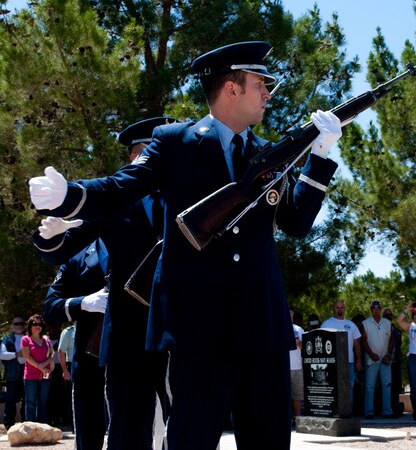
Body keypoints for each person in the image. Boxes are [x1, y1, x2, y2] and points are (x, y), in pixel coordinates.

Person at [30, 40, 341, 450]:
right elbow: (121, 188)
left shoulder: (267, 155)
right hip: (200, 332)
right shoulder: (176, 142)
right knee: (191, 439)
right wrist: (70, 195)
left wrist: (320, 157)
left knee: (268, 440)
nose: (268, 92)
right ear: (232, 88)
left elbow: (296, 222)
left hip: (262, 328)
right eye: (260, 83)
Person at [33, 117, 176, 450]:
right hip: (128, 334)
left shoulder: (184, 197)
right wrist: (52, 232)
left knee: (186, 424)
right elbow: (59, 251)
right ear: (136, 159)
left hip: (175, 329)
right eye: (148, 155)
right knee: (127, 428)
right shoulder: (118, 201)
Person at [40, 239, 109, 450]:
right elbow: (50, 306)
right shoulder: (80, 255)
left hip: (138, 356)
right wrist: (84, 303)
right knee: (88, 436)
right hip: (91, 359)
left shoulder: (147, 236)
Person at [322, 301, 363, 414]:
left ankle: (347, 413)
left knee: (349, 387)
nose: (339, 310)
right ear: (333, 309)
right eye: (337, 307)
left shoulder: (351, 324)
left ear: (344, 309)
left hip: (349, 362)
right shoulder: (326, 324)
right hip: (333, 363)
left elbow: (357, 344)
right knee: (334, 387)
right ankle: (334, 412)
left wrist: (358, 361)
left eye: (342, 307)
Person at [361, 300, 394, 419]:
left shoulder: (387, 323)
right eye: (374, 307)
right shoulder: (365, 323)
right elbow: (364, 341)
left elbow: (392, 339)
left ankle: (387, 411)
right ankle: (369, 411)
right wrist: (371, 354)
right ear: (371, 310)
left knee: (387, 385)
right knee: (369, 386)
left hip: (385, 359)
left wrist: (389, 354)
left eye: (378, 307)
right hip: (372, 359)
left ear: (381, 309)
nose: (376, 309)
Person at [20, 314, 54, 423]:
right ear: (30, 326)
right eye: (34, 324)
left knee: (43, 402)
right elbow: (27, 357)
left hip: (46, 374)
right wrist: (41, 367)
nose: (37, 326)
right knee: (30, 402)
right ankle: (31, 428)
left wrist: (44, 366)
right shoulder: (25, 339)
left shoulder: (46, 340)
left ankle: (42, 427)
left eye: (39, 324)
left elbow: (52, 355)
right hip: (30, 375)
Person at [1, 317, 27, 428]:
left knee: (27, 399)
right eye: (16, 324)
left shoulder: (29, 338)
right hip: (12, 373)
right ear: (12, 326)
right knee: (10, 399)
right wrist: (17, 354)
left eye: (22, 323)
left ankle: (26, 423)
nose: (19, 326)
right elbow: (2, 355)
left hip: (27, 371)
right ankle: (9, 425)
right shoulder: (6, 339)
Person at [382, 308, 404, 417]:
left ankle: (395, 409)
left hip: (395, 362)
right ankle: (384, 409)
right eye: (386, 315)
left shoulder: (397, 330)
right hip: (383, 362)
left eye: (390, 315)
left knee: (395, 387)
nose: (389, 317)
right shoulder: (380, 329)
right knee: (385, 386)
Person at [57, 323, 75, 430]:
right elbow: (61, 351)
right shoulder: (68, 332)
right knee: (73, 398)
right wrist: (65, 370)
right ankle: (74, 426)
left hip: (91, 366)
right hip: (72, 365)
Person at [289, 309, 304, 422]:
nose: (289, 317)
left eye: (290, 315)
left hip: (297, 367)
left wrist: (299, 343)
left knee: (297, 396)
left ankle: (298, 418)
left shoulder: (299, 330)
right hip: (282, 368)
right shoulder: (278, 328)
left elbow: (306, 348)